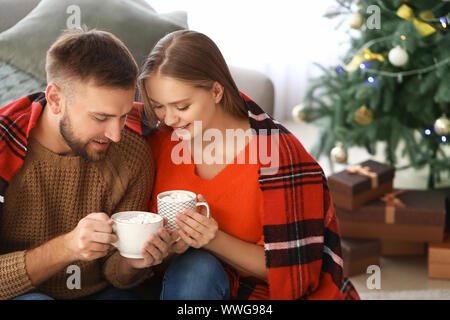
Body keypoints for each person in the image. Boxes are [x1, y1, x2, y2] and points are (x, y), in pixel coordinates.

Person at [138, 30, 360, 300]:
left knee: (197, 268)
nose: (169, 119)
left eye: (182, 107)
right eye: (159, 106)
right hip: (179, 281)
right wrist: (168, 248)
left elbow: (292, 270)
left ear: (216, 91)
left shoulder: (278, 158)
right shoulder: (157, 139)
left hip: (258, 293)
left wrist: (213, 239)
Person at [0, 29, 173, 300]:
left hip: (100, 292)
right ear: (56, 99)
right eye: (101, 117)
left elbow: (115, 273)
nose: (115, 134)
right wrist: (68, 247)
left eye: (123, 116)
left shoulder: (132, 154)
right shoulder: (4, 149)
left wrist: (133, 261)